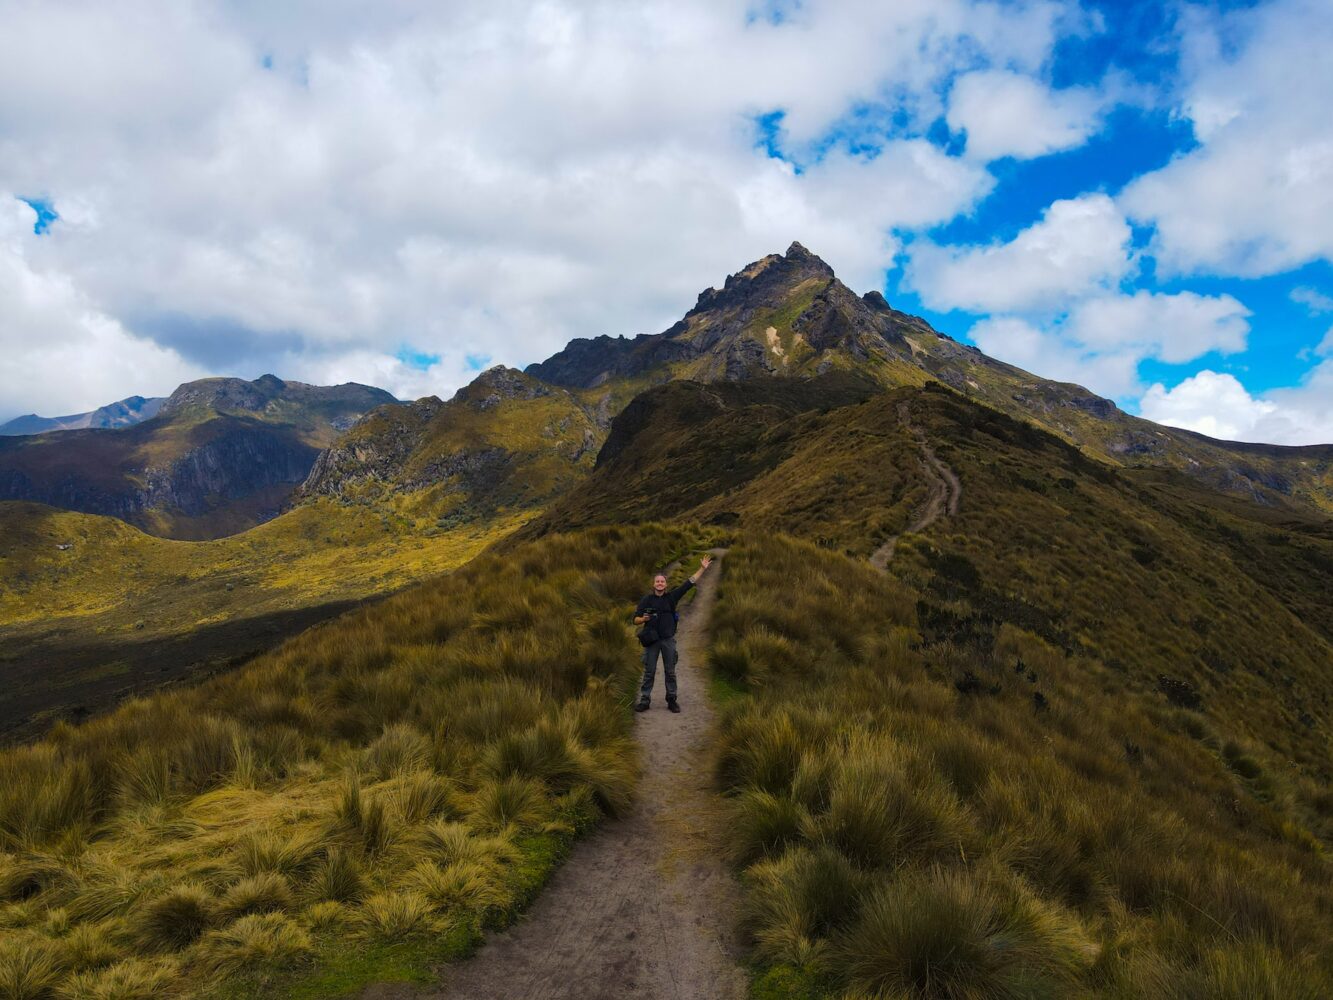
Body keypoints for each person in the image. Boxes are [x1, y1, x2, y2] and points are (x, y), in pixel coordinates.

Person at [633, 555, 712, 713]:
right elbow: (634, 619)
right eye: (657, 581)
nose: (660, 583)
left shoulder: (672, 597)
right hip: (652, 641)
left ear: (666, 584)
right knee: (649, 671)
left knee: (670, 671)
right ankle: (645, 699)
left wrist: (702, 569)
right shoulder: (646, 600)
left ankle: (671, 700)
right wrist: (643, 619)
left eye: (662, 581)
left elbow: (689, 583)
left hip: (668, 640)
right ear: (654, 584)